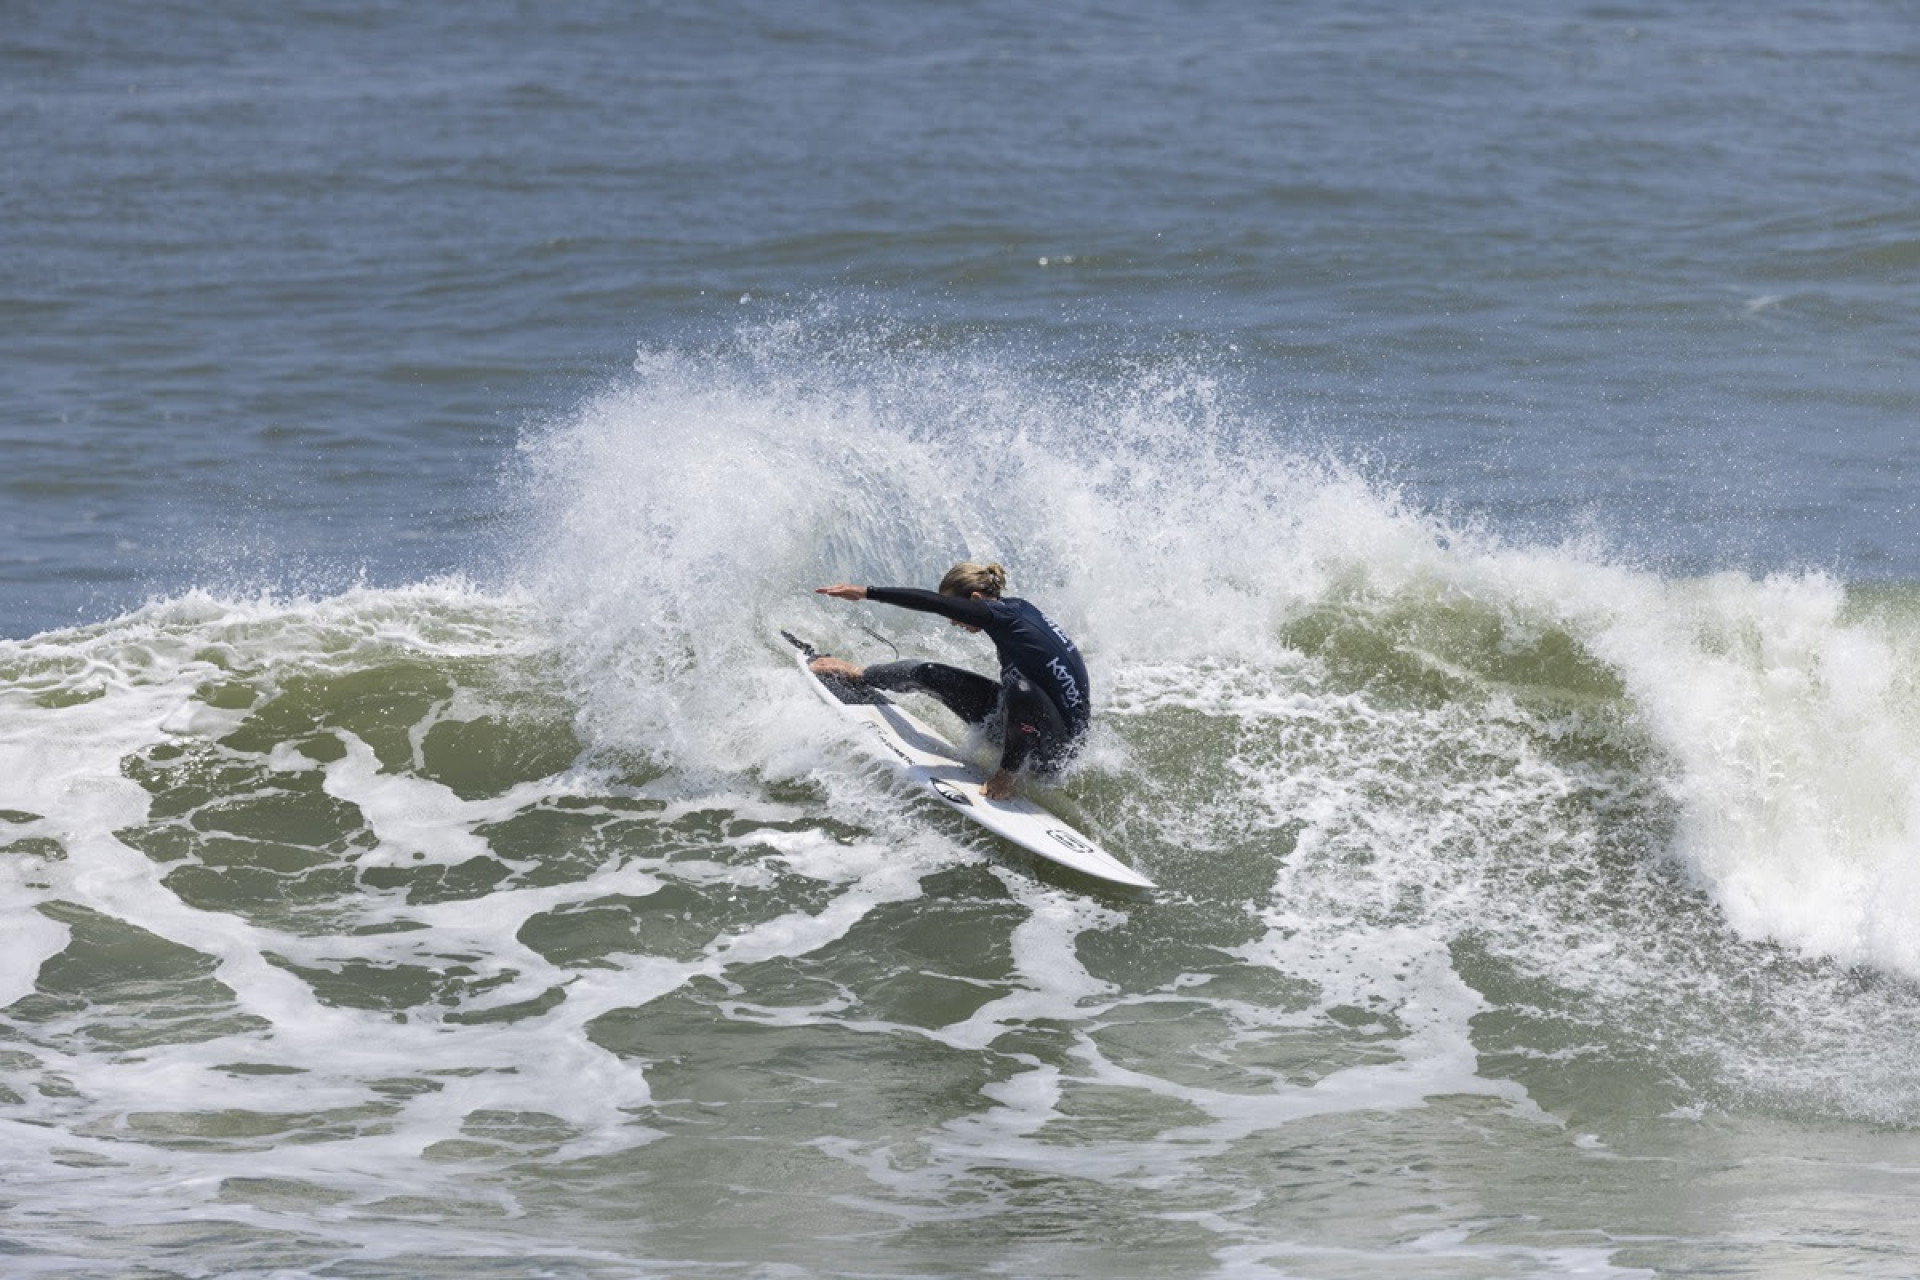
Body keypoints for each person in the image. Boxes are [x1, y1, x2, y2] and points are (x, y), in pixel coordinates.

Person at [812, 561, 1089, 801]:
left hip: (1050, 753)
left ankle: (1007, 775)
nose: (954, 622)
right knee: (929, 672)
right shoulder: (1012, 613)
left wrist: (866, 592)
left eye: (957, 612)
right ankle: (862, 673)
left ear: (976, 599)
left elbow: (932, 602)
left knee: (1022, 690)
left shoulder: (1005, 617)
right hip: (1018, 720)